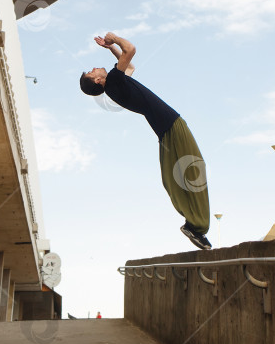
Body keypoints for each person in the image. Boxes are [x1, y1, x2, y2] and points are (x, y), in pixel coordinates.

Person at [79, 32, 212, 250]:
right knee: (193, 168)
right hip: (171, 124)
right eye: (92, 71)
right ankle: (197, 225)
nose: (95, 67)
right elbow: (130, 50)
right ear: (97, 80)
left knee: (179, 175)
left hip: (165, 128)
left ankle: (193, 224)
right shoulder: (113, 82)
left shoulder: (115, 84)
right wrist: (114, 37)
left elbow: (129, 67)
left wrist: (110, 48)